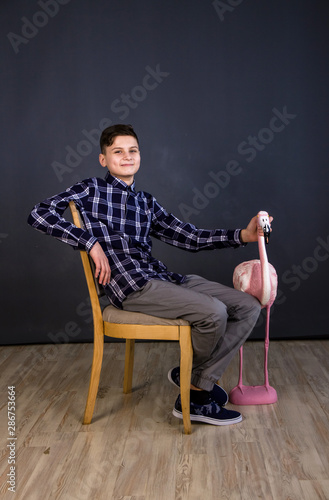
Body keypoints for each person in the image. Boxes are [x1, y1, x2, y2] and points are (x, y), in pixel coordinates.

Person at [28, 123, 268, 426]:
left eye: (133, 151)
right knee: (214, 312)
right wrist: (89, 243)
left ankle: (193, 376)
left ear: (139, 156)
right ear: (104, 159)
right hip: (133, 286)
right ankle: (195, 396)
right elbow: (39, 213)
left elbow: (189, 238)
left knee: (248, 306)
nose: (127, 157)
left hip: (165, 279)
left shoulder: (145, 202)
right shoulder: (91, 189)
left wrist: (243, 235)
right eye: (118, 151)